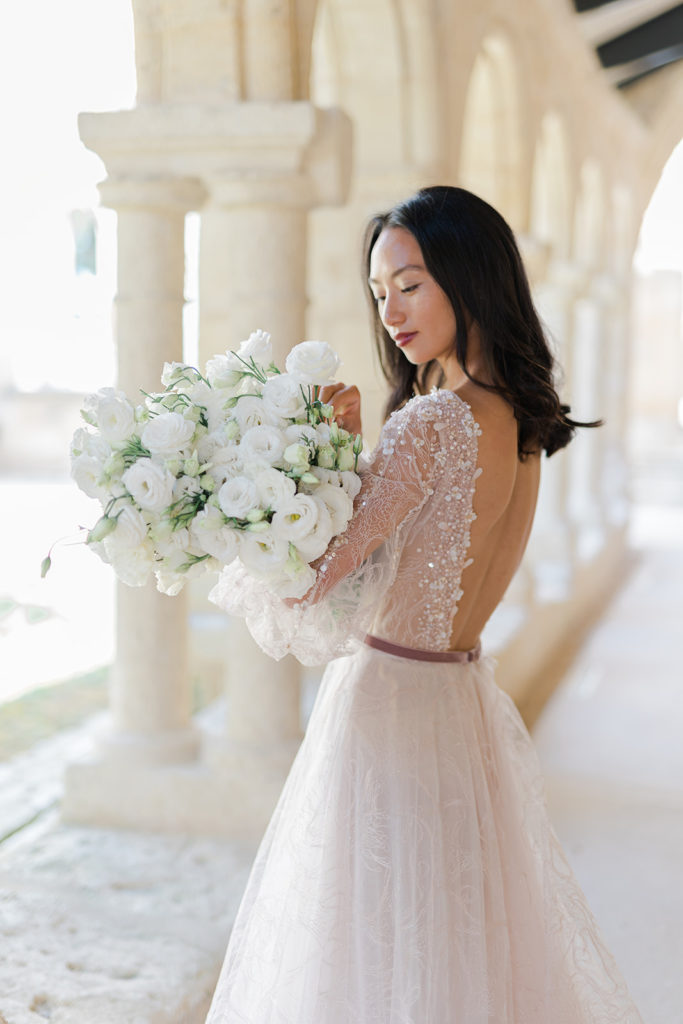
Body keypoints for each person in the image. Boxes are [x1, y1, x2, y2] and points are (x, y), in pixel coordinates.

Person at [206, 186, 644, 1023]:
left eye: (410, 283)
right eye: (379, 292)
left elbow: (308, 581)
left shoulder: (431, 423)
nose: (392, 311)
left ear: (467, 275)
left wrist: (310, 463)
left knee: (375, 942)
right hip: (458, 697)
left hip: (387, 709)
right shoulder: (516, 420)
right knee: (454, 934)